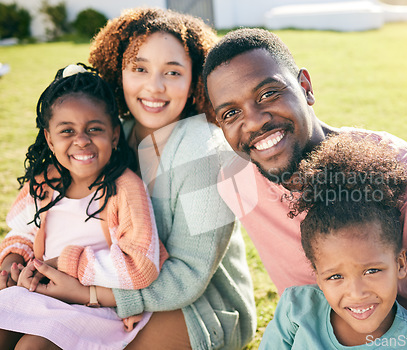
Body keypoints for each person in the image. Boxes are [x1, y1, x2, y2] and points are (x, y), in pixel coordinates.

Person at [203, 28, 407, 349]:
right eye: (231, 113)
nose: (252, 122)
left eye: (268, 93)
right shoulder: (236, 182)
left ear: (305, 87)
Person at [0, 8, 257, 350]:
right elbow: (45, 213)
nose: (155, 86)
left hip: (196, 306)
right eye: (139, 68)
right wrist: (19, 262)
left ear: (196, 78)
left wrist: (90, 294)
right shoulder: (109, 136)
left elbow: (187, 280)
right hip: (104, 285)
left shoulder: (207, 154)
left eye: (173, 72)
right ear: (117, 71)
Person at [0, 63, 166, 349]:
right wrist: (13, 263)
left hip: (94, 305)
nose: (82, 140)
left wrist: (65, 266)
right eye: (67, 131)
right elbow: (22, 233)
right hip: (39, 293)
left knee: (32, 346)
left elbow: (142, 266)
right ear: (50, 139)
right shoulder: (43, 182)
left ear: (114, 135)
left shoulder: (124, 188)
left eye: (94, 129)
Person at [260, 133, 407, 349]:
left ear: (400, 264)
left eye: (371, 271)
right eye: (335, 276)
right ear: (317, 276)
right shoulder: (297, 308)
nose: (356, 293)